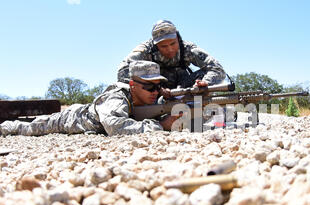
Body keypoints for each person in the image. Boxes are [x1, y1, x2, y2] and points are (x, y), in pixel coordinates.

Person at [0, 61, 179, 137]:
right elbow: (115, 127)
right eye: (149, 86)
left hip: (84, 112)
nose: (155, 91)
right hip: (71, 118)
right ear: (132, 84)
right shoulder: (116, 97)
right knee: (30, 127)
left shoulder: (151, 96)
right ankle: (4, 128)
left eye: (158, 86)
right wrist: (160, 126)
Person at [117, 20, 226, 90]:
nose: (169, 49)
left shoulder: (188, 48)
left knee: (203, 75)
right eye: (163, 46)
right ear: (156, 45)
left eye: (173, 43)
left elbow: (217, 69)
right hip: (154, 89)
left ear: (178, 39)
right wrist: (155, 89)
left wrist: (204, 83)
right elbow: (122, 73)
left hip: (184, 87)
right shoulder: (145, 50)